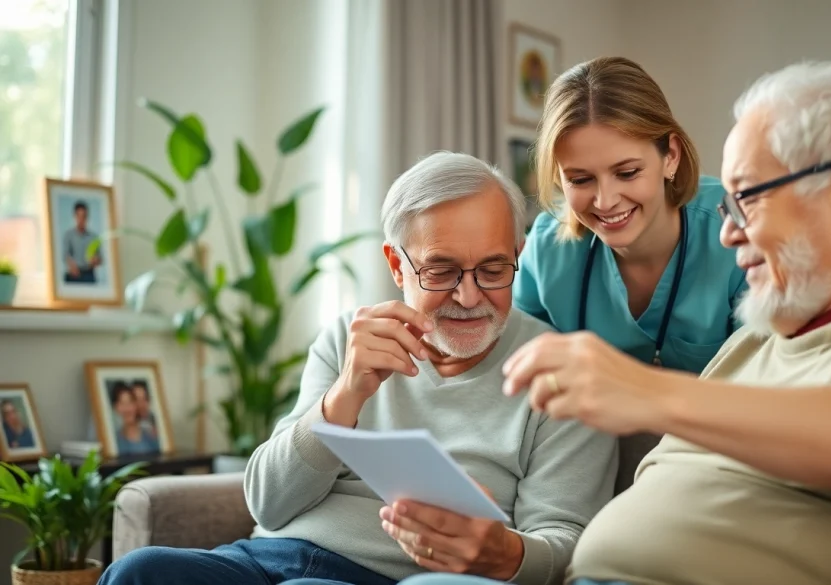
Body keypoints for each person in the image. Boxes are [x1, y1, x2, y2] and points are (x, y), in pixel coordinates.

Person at [405, 61, 831, 585]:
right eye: (725, 204)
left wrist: (639, 389)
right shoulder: (761, 332)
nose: (726, 229)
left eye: (746, 198)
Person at [98, 152, 618, 585]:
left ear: (518, 256)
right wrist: (345, 394)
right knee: (139, 573)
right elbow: (267, 506)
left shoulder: (562, 371)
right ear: (397, 265)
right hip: (264, 562)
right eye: (440, 270)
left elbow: (568, 548)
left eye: (492, 268)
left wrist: (501, 552)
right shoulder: (351, 336)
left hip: (389, 578)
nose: (468, 295)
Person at [514, 56, 747, 376]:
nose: (605, 201)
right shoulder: (546, 248)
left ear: (671, 156)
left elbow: (770, 381)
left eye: (627, 173)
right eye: (580, 180)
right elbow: (510, 360)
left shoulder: (736, 231)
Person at [110, 382, 160, 455]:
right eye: (122, 403)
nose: (127, 409)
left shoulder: (152, 436)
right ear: (116, 407)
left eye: (130, 402)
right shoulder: (113, 441)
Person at [63, 200, 102, 283]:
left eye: (84, 216)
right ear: (75, 216)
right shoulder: (69, 235)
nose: (81, 220)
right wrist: (71, 266)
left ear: (87, 218)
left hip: (88, 274)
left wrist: (95, 260)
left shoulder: (93, 237)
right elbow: (66, 255)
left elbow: (100, 258)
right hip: (73, 274)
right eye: (79, 216)